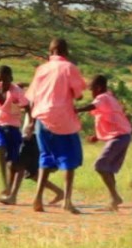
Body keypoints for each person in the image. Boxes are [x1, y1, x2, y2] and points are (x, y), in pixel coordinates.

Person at [24, 38, 86, 214]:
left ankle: (37, 199)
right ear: (66, 52)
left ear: (51, 52)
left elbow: (32, 96)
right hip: (63, 120)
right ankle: (66, 201)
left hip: (42, 120)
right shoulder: (69, 68)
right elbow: (78, 94)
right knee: (69, 160)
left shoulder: (41, 69)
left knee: (45, 158)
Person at [76, 74, 132, 210]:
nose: (91, 92)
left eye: (92, 89)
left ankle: (115, 197)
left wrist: (75, 110)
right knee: (107, 168)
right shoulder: (110, 98)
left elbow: (92, 106)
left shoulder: (103, 97)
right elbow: (108, 118)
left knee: (100, 165)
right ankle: (113, 202)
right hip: (122, 136)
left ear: (99, 87)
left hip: (119, 137)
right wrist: (97, 136)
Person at [0, 65, 28, 199]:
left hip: (13, 126)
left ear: (11, 79)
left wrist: (30, 122)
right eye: (0, 80)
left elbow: (26, 106)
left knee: (13, 162)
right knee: (1, 147)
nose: (2, 83)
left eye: (5, 80)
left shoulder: (17, 92)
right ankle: (5, 185)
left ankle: (9, 189)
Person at [7, 105, 63, 206]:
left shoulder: (37, 95)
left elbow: (37, 110)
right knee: (32, 174)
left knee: (20, 165)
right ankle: (59, 192)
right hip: (36, 134)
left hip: (33, 135)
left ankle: (12, 196)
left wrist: (32, 125)